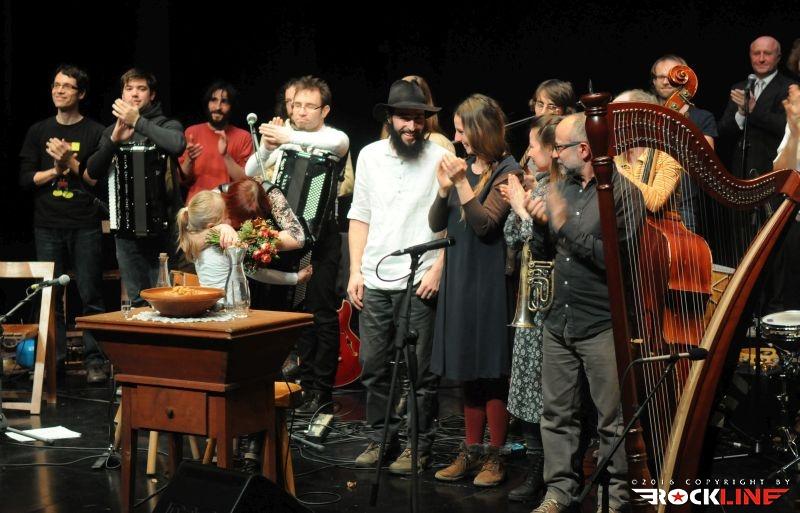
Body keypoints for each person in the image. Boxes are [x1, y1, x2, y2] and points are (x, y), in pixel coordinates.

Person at [530, 113, 643, 513]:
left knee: (612, 420)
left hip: (600, 323)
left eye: (559, 147)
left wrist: (562, 224)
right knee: (556, 414)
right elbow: (544, 252)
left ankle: (615, 499)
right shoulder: (560, 188)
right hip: (558, 319)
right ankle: (558, 491)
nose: (554, 154)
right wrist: (540, 224)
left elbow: (616, 260)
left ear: (583, 149)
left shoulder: (623, 194)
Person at [347, 79, 449, 474]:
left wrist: (438, 266)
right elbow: (360, 215)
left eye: (418, 118)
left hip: (420, 276)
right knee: (373, 365)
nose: (412, 125)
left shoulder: (440, 156)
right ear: (390, 118)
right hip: (375, 275)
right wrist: (355, 270)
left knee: (420, 371)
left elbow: (452, 218)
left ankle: (417, 447)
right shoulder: (370, 156)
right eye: (404, 117)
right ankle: (381, 438)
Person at [428, 94, 519, 487]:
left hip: (490, 282)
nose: (456, 138)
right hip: (460, 277)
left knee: (492, 370)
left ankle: (496, 455)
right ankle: (471, 449)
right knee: (468, 367)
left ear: (479, 131)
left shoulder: (508, 171)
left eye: (461, 130)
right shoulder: (463, 169)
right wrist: (443, 188)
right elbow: (436, 223)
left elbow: (485, 226)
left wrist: (462, 182)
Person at [246, 76, 349, 414]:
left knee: (321, 312)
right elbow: (250, 169)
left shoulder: (333, 138)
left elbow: (339, 143)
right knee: (294, 313)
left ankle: (322, 392)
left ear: (324, 110)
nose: (301, 112)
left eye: (309, 106)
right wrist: (267, 146)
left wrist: (286, 136)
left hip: (322, 238)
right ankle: (302, 384)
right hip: (288, 236)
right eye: (297, 105)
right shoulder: (283, 137)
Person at [18, 64, 107, 383]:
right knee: (49, 296)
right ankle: (52, 362)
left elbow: (96, 180)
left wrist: (69, 161)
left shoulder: (95, 132)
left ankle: (95, 360)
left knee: (91, 294)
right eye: (56, 85)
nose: (59, 90)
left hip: (84, 223)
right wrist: (56, 170)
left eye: (67, 86)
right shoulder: (39, 131)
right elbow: (26, 179)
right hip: (48, 224)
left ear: (80, 93)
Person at [499, 114, 562, 501]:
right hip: (530, 304)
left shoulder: (560, 191)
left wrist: (523, 212)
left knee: (548, 395)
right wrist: (519, 208)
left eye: (535, 145)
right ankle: (535, 469)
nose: (528, 151)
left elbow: (546, 241)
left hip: (552, 305)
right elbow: (512, 235)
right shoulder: (535, 184)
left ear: (554, 151)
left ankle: (554, 472)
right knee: (525, 390)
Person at [86, 68, 186, 307]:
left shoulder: (166, 124)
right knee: (138, 299)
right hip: (126, 230)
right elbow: (92, 171)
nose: (135, 94)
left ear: (152, 95)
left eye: (141, 89)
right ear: (122, 94)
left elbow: (177, 144)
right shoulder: (113, 131)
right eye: (129, 89)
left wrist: (138, 122)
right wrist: (113, 141)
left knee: (168, 298)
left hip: (165, 225)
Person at [650, 54, 719, 231]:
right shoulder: (647, 115)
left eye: (672, 76)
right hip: (644, 199)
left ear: (685, 78)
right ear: (654, 81)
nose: (666, 81)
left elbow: (705, 161)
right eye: (661, 77)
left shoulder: (702, 117)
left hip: (683, 205)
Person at [719, 36, 793, 178]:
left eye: (767, 53)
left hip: (773, 169)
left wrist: (754, 109)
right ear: (750, 55)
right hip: (740, 170)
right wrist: (741, 113)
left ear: (778, 57)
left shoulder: (791, 88)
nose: (761, 59)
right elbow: (723, 130)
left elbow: (787, 128)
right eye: (756, 53)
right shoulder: (739, 87)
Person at [179, 81, 253, 203]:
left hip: (229, 209)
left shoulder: (244, 137)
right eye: (213, 100)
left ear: (232, 106)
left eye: (224, 101)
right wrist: (189, 160)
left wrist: (225, 155)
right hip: (196, 208)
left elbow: (247, 183)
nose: (218, 107)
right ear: (207, 103)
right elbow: (181, 180)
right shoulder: (192, 132)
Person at [612, 90, 683, 214]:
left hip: (656, 225)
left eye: (618, 113)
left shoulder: (667, 156)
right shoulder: (614, 154)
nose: (611, 120)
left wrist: (615, 170)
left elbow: (655, 202)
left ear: (640, 118)